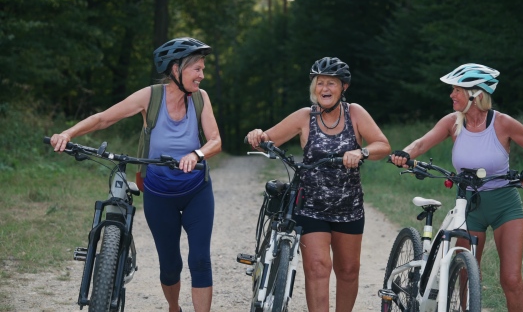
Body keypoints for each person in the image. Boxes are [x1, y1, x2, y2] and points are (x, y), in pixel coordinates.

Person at [50, 37, 222, 312]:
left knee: (200, 260)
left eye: (202, 69)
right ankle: (174, 308)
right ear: (176, 69)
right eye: (197, 69)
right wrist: (68, 133)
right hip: (158, 193)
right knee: (170, 266)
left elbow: (215, 140)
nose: (202, 75)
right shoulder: (150, 97)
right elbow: (105, 118)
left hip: (196, 191)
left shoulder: (201, 99)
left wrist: (197, 154)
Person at [390, 63, 523, 312]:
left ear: (476, 95)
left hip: (504, 205)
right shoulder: (452, 123)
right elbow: (421, 144)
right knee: (465, 273)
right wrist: (405, 153)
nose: (451, 95)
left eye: (457, 90)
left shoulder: (503, 123)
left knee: (511, 280)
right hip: (468, 205)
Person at [246, 57, 391, 312]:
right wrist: (256, 135)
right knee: (317, 267)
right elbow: (266, 139)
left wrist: (362, 153)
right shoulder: (305, 117)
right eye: (319, 83)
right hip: (311, 206)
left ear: (343, 87)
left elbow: (383, 145)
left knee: (348, 270)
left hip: (349, 207)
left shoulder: (355, 113)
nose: (324, 88)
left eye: (331, 83)